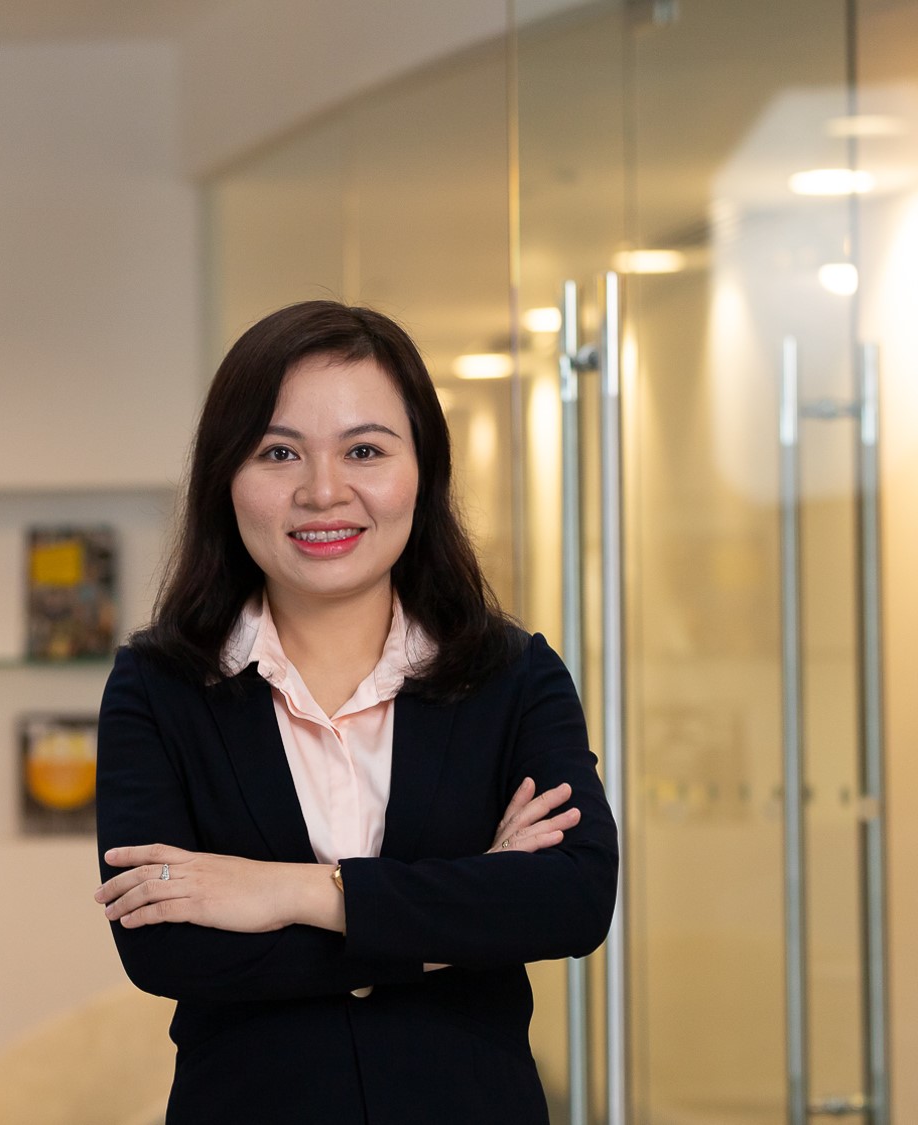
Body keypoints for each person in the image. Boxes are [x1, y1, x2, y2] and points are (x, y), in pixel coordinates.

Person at [93, 300, 619, 1123]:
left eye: (365, 450)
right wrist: (463, 910)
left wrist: (290, 891)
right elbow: (165, 946)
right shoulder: (158, 687)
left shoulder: (512, 675)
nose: (323, 492)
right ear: (225, 476)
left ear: (424, 469)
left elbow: (571, 898)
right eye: (278, 452)